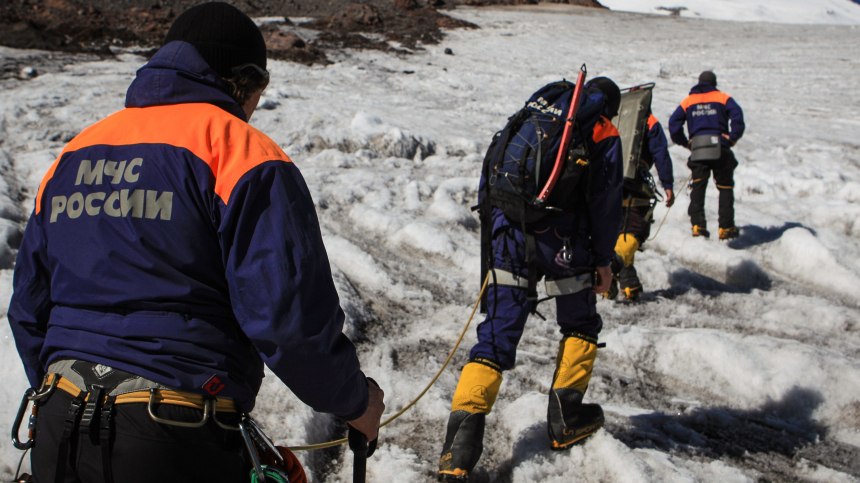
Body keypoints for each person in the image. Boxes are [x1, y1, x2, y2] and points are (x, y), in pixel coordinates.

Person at [7, 3, 384, 481]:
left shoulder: (75, 154)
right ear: (239, 80)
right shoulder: (242, 153)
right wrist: (355, 401)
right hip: (174, 433)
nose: (255, 106)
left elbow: (29, 309)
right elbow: (289, 318)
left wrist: (62, 391)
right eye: (259, 90)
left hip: (60, 424)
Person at [437, 76, 623, 480]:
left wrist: (492, 244)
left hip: (509, 228)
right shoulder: (602, 128)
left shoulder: (537, 111)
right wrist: (604, 261)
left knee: (495, 336)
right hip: (563, 240)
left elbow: (493, 167)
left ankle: (457, 456)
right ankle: (566, 419)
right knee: (580, 323)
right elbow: (606, 202)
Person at [668, 70, 745, 240]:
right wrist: (731, 139)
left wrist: (686, 142)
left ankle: (698, 225)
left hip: (699, 147)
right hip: (720, 146)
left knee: (699, 186)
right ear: (714, 83)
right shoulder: (723, 98)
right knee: (725, 187)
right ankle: (726, 227)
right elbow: (738, 116)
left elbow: (674, 123)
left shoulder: (689, 100)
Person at [610, 107, 675, 301]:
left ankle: (628, 285)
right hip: (637, 183)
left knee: (615, 234)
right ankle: (611, 266)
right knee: (634, 231)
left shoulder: (613, 119)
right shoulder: (649, 121)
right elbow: (660, 152)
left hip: (607, 183)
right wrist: (668, 184)